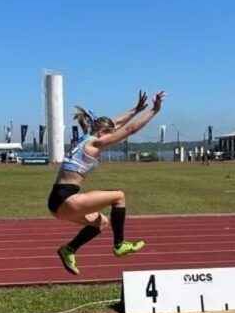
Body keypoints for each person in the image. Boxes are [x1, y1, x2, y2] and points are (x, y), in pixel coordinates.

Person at [48, 90, 165, 275]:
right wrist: (154, 111)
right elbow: (129, 130)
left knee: (100, 222)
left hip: (57, 200)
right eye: (110, 135)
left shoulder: (86, 137)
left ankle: (68, 249)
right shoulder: (93, 144)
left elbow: (117, 123)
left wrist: (137, 110)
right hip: (66, 199)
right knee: (119, 196)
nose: (111, 138)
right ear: (102, 133)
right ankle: (119, 245)